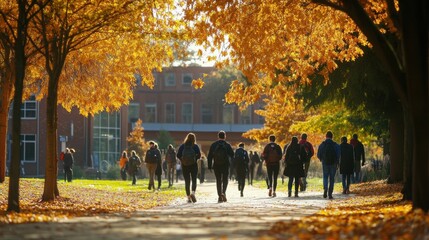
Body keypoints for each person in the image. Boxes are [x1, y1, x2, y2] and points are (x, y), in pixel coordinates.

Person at [207, 130, 234, 203]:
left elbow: (209, 156)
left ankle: (219, 195)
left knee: (218, 180)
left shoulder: (214, 145)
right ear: (225, 136)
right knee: (225, 179)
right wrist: (232, 165)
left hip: (216, 165)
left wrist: (209, 166)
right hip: (225, 165)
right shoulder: (227, 145)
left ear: (218, 136)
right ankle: (223, 192)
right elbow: (232, 155)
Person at [177, 133, 201, 203]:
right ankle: (193, 193)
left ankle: (188, 197)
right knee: (194, 179)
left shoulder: (182, 146)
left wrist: (183, 160)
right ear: (194, 139)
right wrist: (195, 159)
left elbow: (178, 155)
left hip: (185, 166)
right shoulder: (195, 146)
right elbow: (199, 155)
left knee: (187, 181)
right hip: (194, 165)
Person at [317, 131, 340, 199]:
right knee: (332, 178)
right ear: (332, 137)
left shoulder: (322, 144)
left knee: (325, 176)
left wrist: (322, 159)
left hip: (325, 163)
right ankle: (330, 193)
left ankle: (325, 189)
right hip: (333, 163)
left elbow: (318, 154)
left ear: (326, 136)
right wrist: (337, 162)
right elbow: (338, 154)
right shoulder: (335, 145)